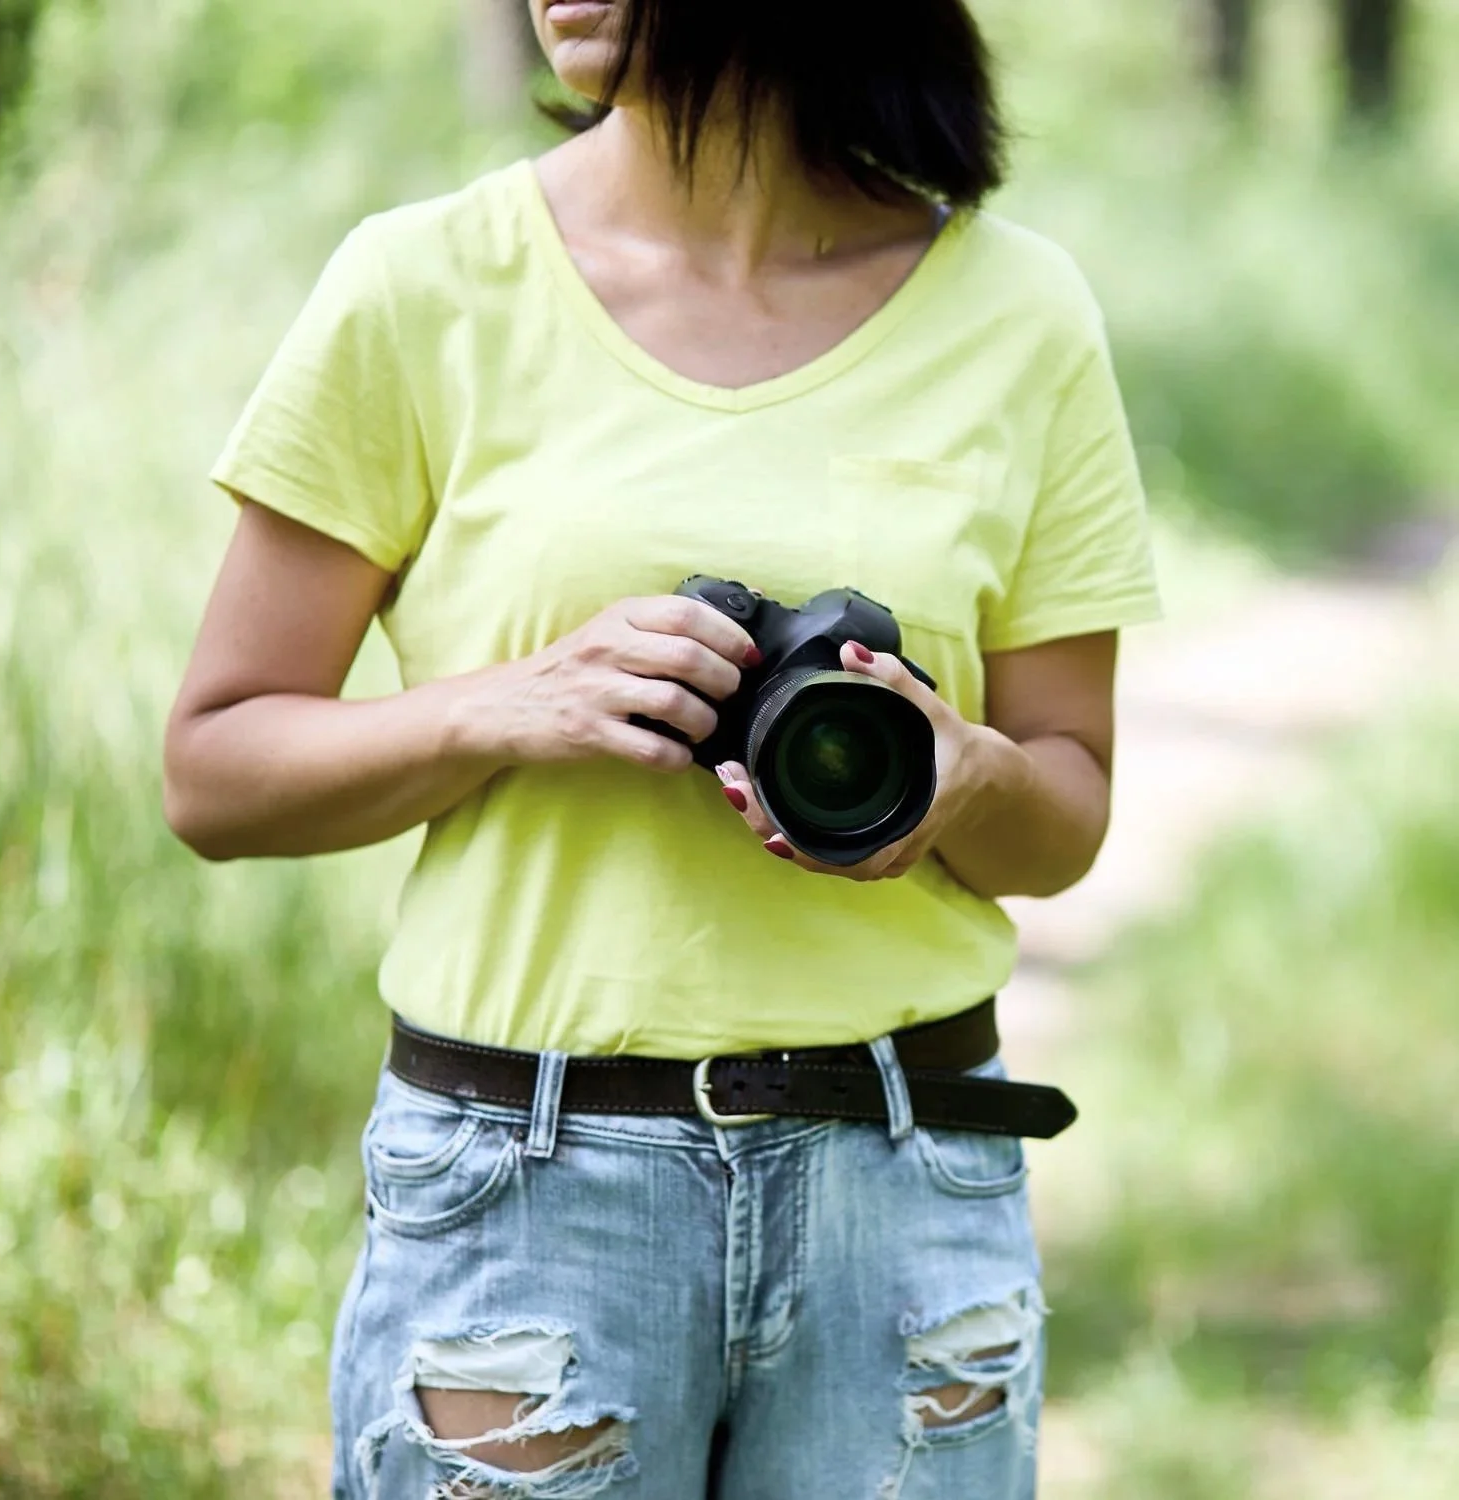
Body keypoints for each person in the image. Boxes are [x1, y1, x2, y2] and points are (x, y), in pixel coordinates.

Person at [163, 1, 1160, 1495]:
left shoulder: (1017, 311)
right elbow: (213, 768)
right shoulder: (422, 285)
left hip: (903, 1187)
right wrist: (508, 706)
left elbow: (1065, 811)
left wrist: (963, 774)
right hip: (525, 1188)